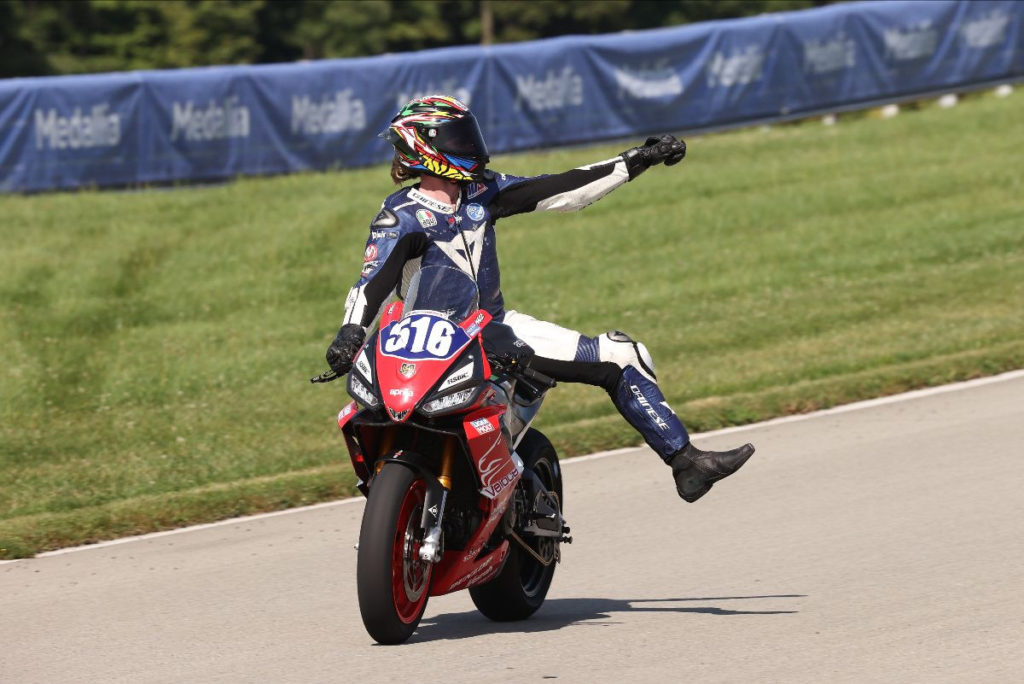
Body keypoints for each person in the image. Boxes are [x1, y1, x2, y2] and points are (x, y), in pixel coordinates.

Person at [325, 94, 754, 502]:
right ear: (425, 149)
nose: (473, 147)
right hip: (430, 347)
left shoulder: (482, 193)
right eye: (459, 139)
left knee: (623, 356)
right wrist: (350, 332)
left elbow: (561, 189)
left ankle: (687, 461)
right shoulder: (400, 216)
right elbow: (371, 283)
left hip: (491, 329)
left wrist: (635, 160)